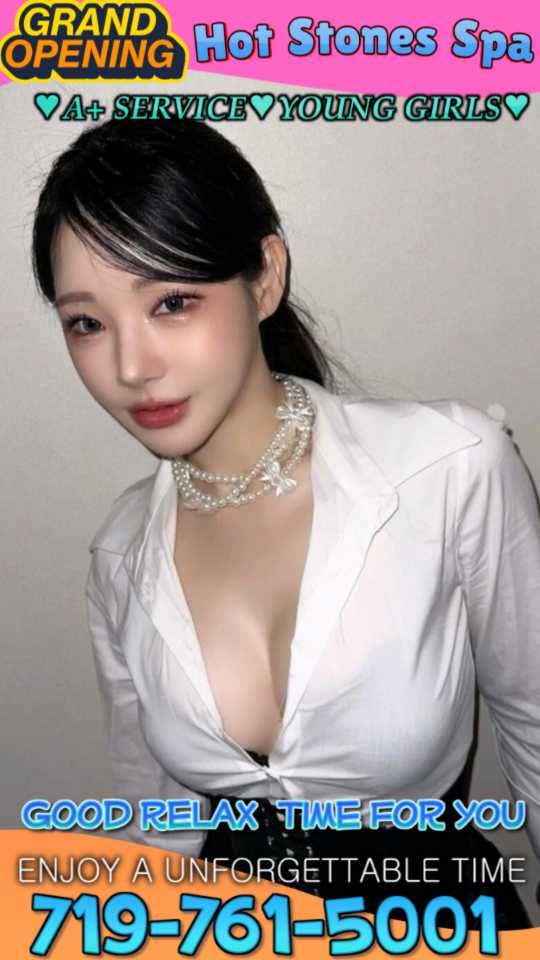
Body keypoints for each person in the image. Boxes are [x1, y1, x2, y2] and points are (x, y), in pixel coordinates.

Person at [32, 119, 539, 930]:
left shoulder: (450, 470)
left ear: (264, 278)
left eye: (172, 302)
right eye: (86, 323)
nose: (131, 367)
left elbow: (533, 723)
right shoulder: (121, 555)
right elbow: (154, 815)